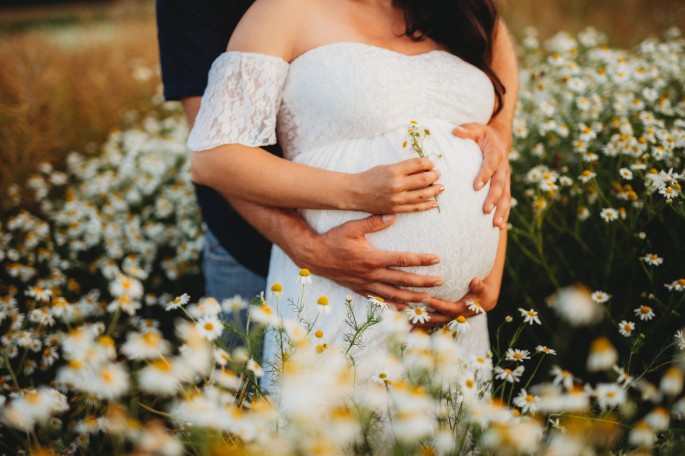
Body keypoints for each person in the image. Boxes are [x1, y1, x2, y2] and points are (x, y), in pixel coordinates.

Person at [185, 0, 518, 376]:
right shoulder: (282, 11)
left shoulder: (467, 11)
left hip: (459, 319)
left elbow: (493, 153)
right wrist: (355, 191)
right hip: (338, 292)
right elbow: (213, 158)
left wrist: (490, 279)